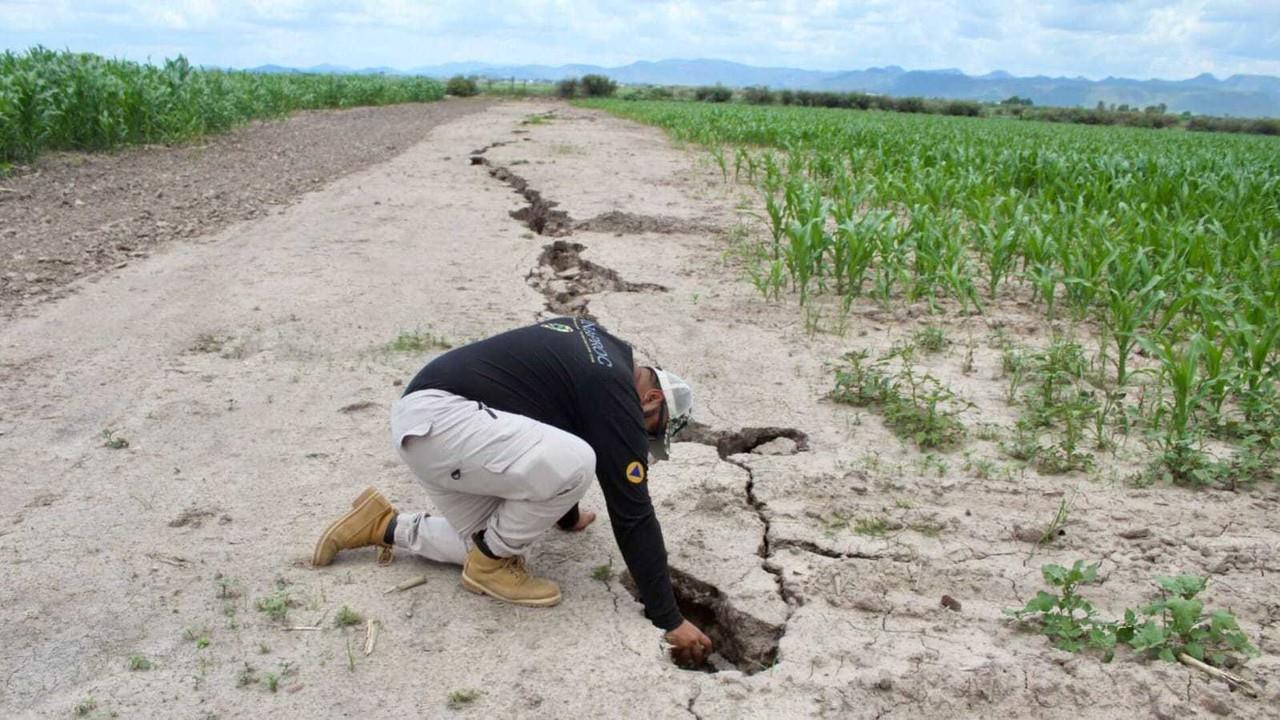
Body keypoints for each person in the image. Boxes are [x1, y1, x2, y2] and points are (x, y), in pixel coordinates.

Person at [312, 316, 714, 665]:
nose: (639, 439)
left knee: (495, 538)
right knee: (576, 464)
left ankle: (385, 525)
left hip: (432, 423)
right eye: (650, 432)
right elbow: (633, 513)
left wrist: (570, 516)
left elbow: (553, 411)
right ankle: (489, 566)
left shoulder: (605, 349)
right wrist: (669, 619)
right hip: (447, 422)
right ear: (652, 398)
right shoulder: (616, 394)